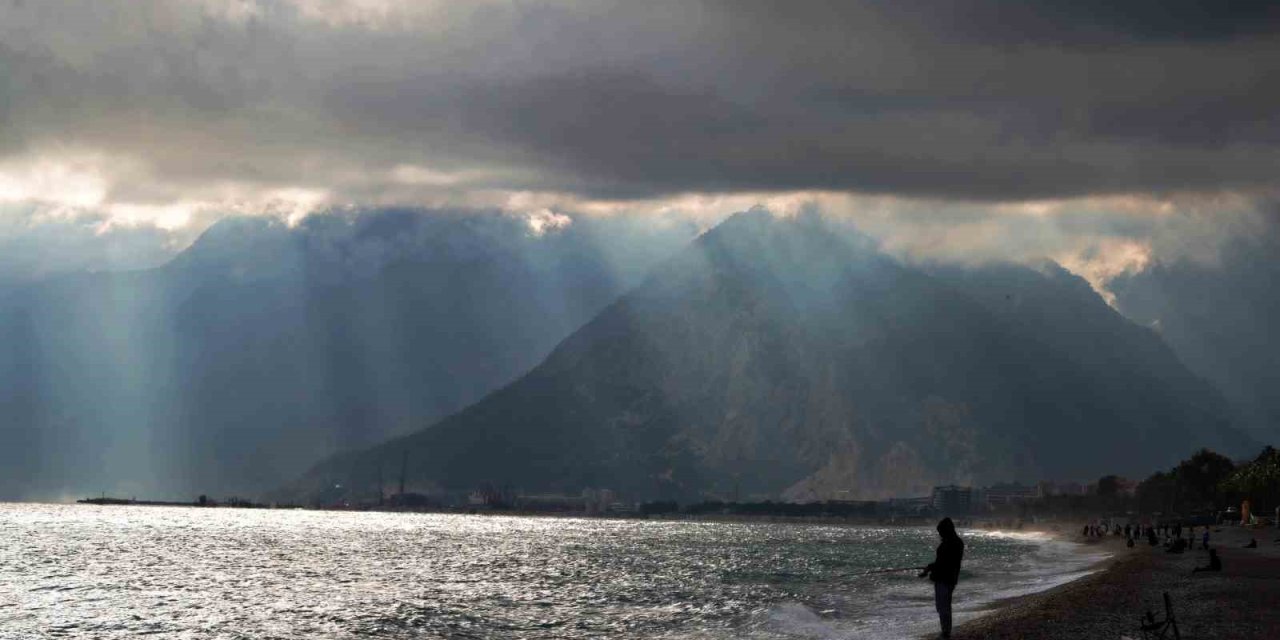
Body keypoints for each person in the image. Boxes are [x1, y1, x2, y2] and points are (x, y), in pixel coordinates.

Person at [920, 517, 965, 639]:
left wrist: (929, 569)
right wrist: (930, 568)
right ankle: (946, 631)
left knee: (943, 606)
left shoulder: (950, 543)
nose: (940, 534)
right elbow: (943, 562)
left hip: (945, 579)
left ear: (946, 530)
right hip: (949, 578)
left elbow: (944, 563)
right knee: (944, 606)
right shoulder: (956, 542)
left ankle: (945, 633)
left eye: (941, 531)